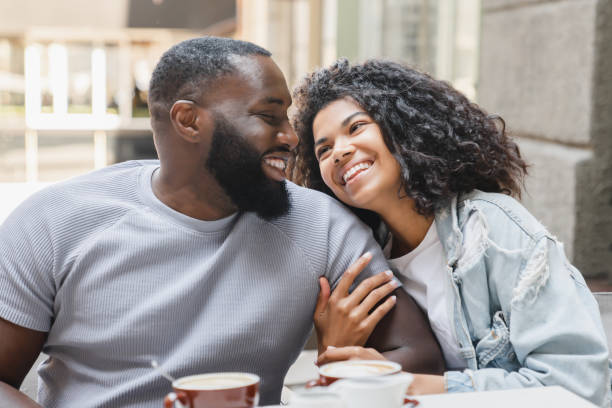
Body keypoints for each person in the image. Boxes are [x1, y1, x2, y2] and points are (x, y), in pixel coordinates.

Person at [0, 38, 444, 408]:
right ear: (189, 121)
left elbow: (420, 356)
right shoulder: (55, 221)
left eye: (288, 119)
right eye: (268, 117)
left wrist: (336, 363)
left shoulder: (321, 226)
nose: (291, 137)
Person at [290, 58, 612, 406]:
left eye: (356, 128)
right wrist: (333, 346)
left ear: (403, 126)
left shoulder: (492, 231)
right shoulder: (365, 260)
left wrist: (406, 385)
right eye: (324, 149)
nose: (339, 152)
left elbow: (575, 384)